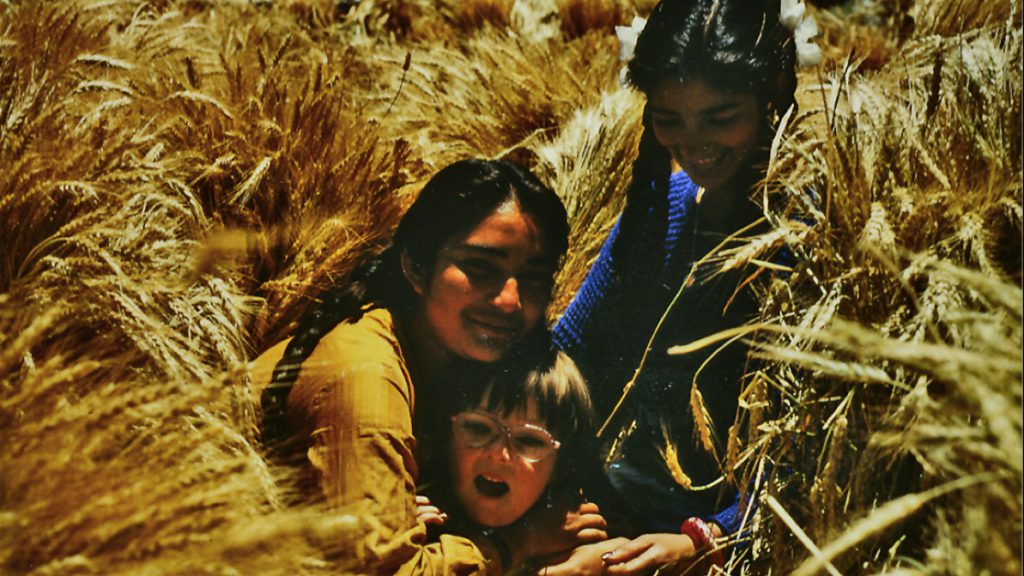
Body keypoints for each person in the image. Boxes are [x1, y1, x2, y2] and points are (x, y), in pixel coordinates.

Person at [544, 0, 817, 573]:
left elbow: (812, 446)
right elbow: (567, 353)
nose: (695, 144)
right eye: (670, 118)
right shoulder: (658, 210)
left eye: (720, 117)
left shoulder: (807, 240)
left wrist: (704, 538)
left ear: (771, 96)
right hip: (606, 518)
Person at [250, 158, 606, 575]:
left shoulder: (441, 354)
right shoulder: (367, 376)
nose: (510, 301)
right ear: (416, 267)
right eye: (480, 268)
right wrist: (519, 541)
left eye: (532, 278)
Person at [413, 346, 611, 573]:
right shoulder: (413, 523)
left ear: (561, 464)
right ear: (446, 437)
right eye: (478, 428)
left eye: (529, 441)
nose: (499, 454)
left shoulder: (575, 543)